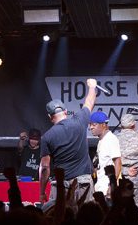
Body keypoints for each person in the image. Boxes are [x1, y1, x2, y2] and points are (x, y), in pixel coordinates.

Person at [39, 78, 97, 209]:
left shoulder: (47, 137)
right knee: (87, 216)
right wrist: (92, 87)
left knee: (61, 218)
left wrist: (42, 192)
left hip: (62, 186)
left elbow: (45, 168)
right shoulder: (79, 121)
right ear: (65, 111)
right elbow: (89, 102)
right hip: (83, 183)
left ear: (50, 117)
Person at [89, 111, 121, 197]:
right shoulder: (101, 140)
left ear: (103, 125)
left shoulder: (111, 139)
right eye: (90, 125)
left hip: (107, 189)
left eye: (94, 125)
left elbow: (118, 162)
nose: (91, 127)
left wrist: (111, 186)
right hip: (100, 187)